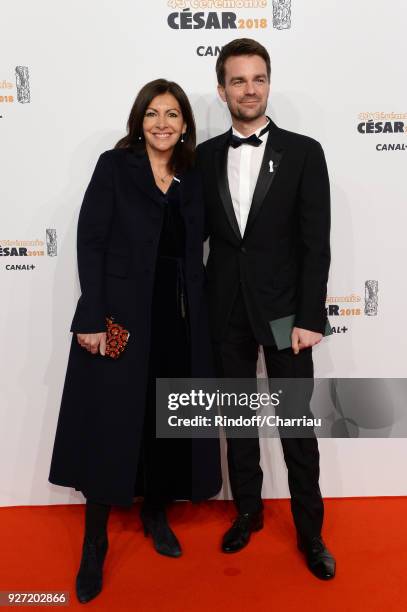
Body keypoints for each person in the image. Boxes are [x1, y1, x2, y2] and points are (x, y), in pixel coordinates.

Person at [48, 79, 222, 603]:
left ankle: (156, 511)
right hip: (121, 318)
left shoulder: (193, 177)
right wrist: (92, 316)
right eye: (153, 114)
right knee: (110, 422)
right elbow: (91, 240)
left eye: (172, 114)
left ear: (186, 124)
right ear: (139, 121)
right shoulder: (115, 166)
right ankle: (95, 541)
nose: (162, 123)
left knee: (165, 421)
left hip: (179, 320)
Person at [196, 38, 336, 580]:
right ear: (222, 89)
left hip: (285, 314)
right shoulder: (206, 157)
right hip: (225, 309)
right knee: (237, 420)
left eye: (258, 79)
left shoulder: (304, 152)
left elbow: (314, 244)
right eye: (238, 80)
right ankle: (247, 513)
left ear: (268, 84)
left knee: (295, 425)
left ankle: (311, 533)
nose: (249, 89)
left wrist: (309, 317)